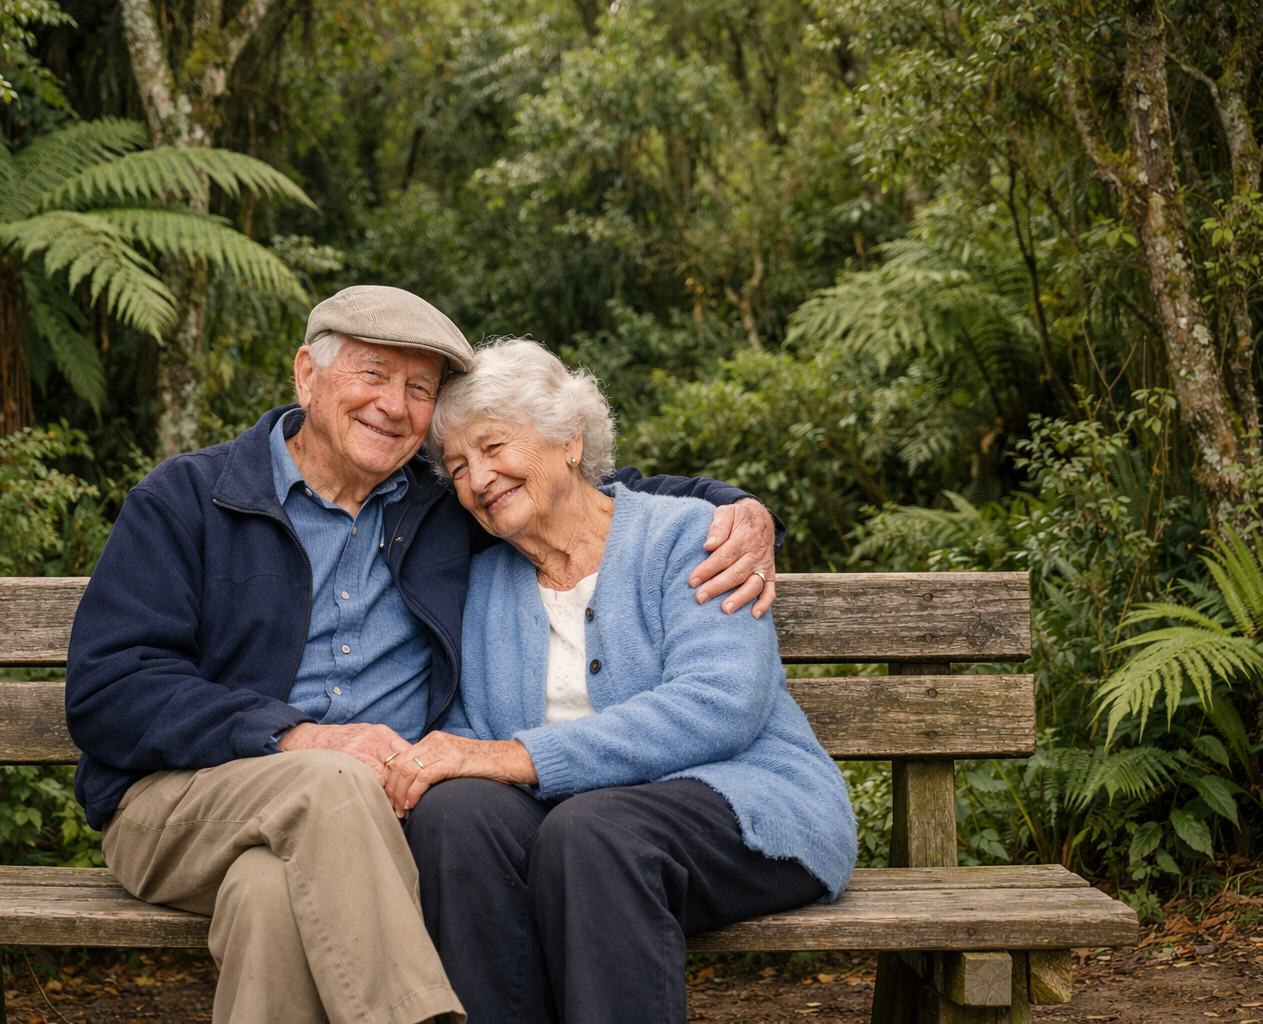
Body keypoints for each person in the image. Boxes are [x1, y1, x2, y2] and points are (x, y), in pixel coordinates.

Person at [65, 287, 785, 1024]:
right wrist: (295, 737)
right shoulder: (189, 499)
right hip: (189, 803)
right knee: (331, 780)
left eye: (418, 389)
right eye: (372, 375)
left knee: (268, 896)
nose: (394, 405)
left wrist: (741, 510)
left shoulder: (439, 503)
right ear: (306, 374)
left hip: (363, 834)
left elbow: (578, 489)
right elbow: (108, 689)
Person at [388, 339, 858, 1024]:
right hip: (568, 835)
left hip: (743, 808)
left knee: (592, 831)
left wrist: (516, 758)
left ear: (568, 441)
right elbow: (467, 729)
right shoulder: (483, 583)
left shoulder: (690, 538)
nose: (477, 478)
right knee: (456, 817)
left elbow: (720, 705)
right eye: (457, 466)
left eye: (493, 448)